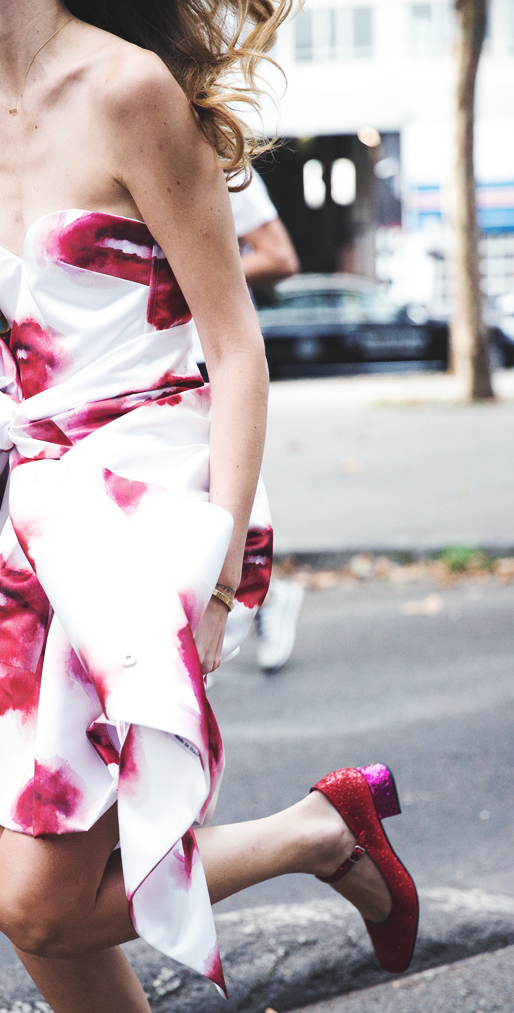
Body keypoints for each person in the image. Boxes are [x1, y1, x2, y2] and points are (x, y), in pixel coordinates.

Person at [0, 6, 419, 1013]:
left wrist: (222, 572)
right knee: (23, 892)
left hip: (141, 507)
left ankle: (315, 836)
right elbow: (30, 341)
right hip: (32, 503)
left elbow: (233, 345)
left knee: (39, 900)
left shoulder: (129, 92)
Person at [194, 169, 304, 674]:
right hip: (136, 370)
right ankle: (266, 595)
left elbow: (279, 256)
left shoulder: (219, 155)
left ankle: (257, 595)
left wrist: (185, 271)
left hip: (204, 361)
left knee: (213, 515)